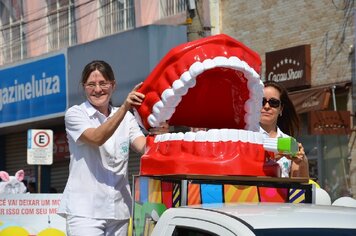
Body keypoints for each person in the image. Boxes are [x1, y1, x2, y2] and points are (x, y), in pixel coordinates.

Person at [58, 60, 166, 236]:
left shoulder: (127, 118)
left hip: (119, 209)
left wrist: (160, 132)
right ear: (84, 87)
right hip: (85, 212)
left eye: (103, 83)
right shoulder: (75, 114)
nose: (98, 89)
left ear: (113, 85)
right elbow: (97, 137)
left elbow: (144, 147)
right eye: (91, 84)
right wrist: (124, 108)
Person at [260, 80, 309, 178]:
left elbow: (300, 184)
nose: (267, 106)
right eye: (262, 101)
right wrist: (273, 156)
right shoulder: (246, 136)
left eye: (273, 103)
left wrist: (301, 161)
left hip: (282, 193)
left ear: (281, 109)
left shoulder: (289, 142)